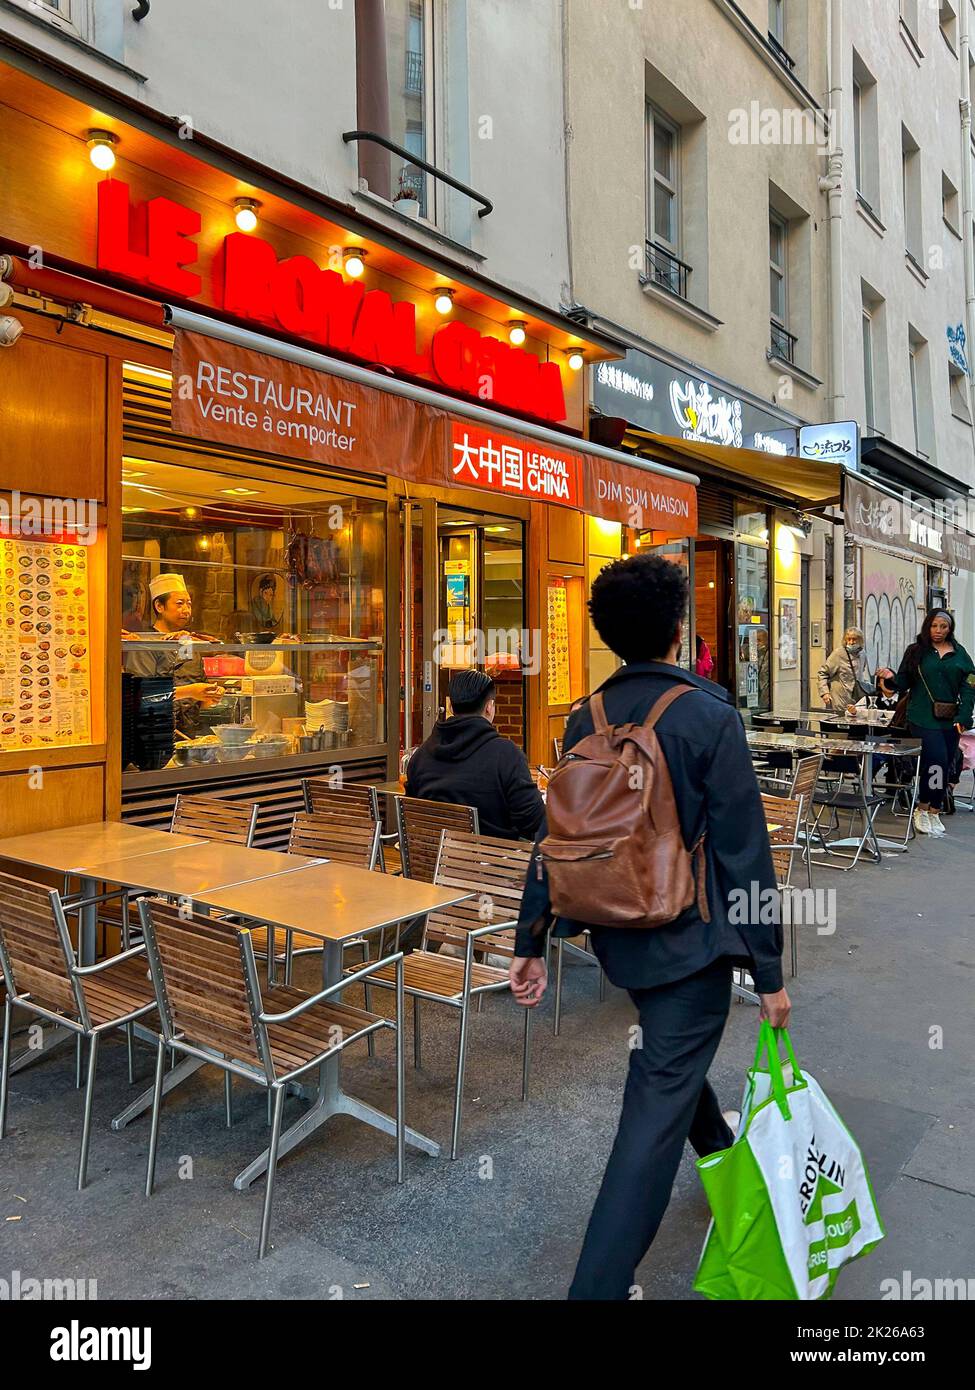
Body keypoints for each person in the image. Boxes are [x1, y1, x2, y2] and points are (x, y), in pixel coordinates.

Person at [509, 554, 790, 1301]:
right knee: (651, 1108)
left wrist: (529, 938)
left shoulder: (584, 715)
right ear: (676, 629)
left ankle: (723, 1162)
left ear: (608, 635)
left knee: (672, 1064)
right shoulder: (707, 714)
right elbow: (743, 852)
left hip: (615, 935)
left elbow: (555, 836)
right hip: (689, 945)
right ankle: (596, 1289)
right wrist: (769, 974)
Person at [405, 669, 544, 841]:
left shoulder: (421, 756)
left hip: (433, 861)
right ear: (489, 707)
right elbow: (534, 821)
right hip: (495, 862)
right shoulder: (507, 755)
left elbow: (414, 812)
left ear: (450, 707)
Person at [894, 609, 975, 837]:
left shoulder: (960, 655)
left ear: (950, 629)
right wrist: (888, 680)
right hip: (921, 716)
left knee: (945, 763)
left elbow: (969, 686)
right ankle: (922, 808)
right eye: (934, 626)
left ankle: (935, 811)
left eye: (943, 627)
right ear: (927, 626)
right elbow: (902, 681)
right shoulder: (916, 652)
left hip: (950, 720)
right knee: (936, 760)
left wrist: (964, 717)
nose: (938, 631)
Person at [123, 572, 223, 728]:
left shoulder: (185, 643)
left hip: (188, 736)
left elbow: (199, 700)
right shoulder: (145, 644)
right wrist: (190, 691)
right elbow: (142, 697)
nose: (186, 610)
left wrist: (212, 695)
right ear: (159, 606)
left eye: (189, 604)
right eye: (179, 603)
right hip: (154, 735)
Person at [817, 627, 892, 712]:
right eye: (848, 639)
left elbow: (862, 673)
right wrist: (825, 693)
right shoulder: (838, 654)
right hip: (841, 699)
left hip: (858, 699)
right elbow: (823, 673)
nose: (851, 642)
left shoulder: (862, 654)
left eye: (854, 639)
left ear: (860, 640)